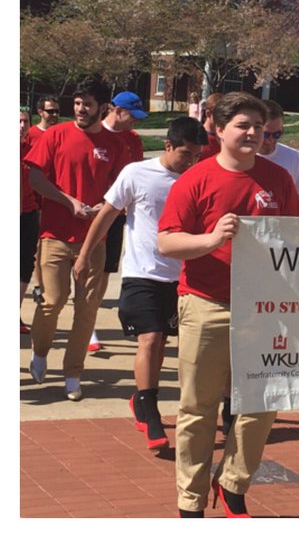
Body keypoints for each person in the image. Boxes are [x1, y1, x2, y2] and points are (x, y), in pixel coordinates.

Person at [158, 91, 299, 517]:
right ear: (219, 130)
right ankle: (190, 500)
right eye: (243, 125)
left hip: (262, 308)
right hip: (206, 303)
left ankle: (233, 483)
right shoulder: (196, 179)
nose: (253, 133)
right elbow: (167, 241)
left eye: (259, 126)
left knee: (261, 403)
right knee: (197, 408)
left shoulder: (278, 179)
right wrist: (211, 239)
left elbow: (296, 239)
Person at [72, 116, 208, 449]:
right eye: (186, 154)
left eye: (197, 156)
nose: (191, 162)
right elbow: (107, 214)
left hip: (182, 276)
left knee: (160, 343)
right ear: (168, 146)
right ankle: (150, 412)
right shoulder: (136, 173)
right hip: (142, 273)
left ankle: (141, 399)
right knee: (149, 338)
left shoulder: (198, 179)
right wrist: (85, 254)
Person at [23, 76, 134, 399]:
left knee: (87, 310)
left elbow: (121, 188)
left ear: (103, 107)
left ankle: (73, 373)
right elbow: (34, 178)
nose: (80, 109)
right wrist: (68, 201)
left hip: (94, 239)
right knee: (53, 301)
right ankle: (40, 352)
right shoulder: (56, 135)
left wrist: (104, 207)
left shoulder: (116, 145)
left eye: (87, 104)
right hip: (55, 235)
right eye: (77, 103)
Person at [89, 91, 149, 353]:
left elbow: (138, 175)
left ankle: (89, 321)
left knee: (104, 270)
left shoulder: (133, 139)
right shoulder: (94, 132)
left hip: (116, 215)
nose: (135, 122)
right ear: (117, 110)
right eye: (132, 116)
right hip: (89, 212)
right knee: (85, 269)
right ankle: (85, 322)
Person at [259, 99, 299, 216]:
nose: (270, 140)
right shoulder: (242, 157)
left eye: (277, 134)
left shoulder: (293, 158)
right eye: (265, 134)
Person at [20, 108, 40, 333]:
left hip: (28, 211)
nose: (22, 126)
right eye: (18, 121)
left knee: (25, 263)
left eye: (25, 121)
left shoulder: (32, 150)